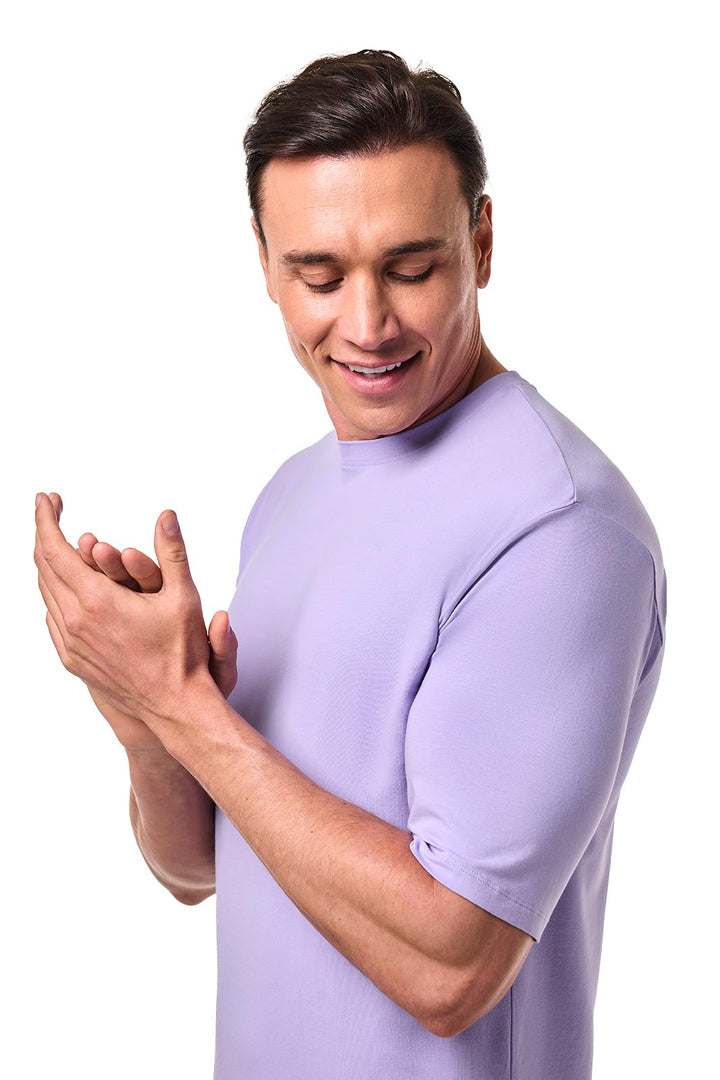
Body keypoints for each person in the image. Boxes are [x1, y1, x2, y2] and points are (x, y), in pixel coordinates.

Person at [34, 49, 667, 1080]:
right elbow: (199, 868)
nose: (367, 326)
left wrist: (185, 707)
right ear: (263, 261)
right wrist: (147, 717)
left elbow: (451, 967)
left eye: (411, 269)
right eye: (319, 276)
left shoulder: (561, 532)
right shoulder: (291, 493)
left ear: (483, 242)